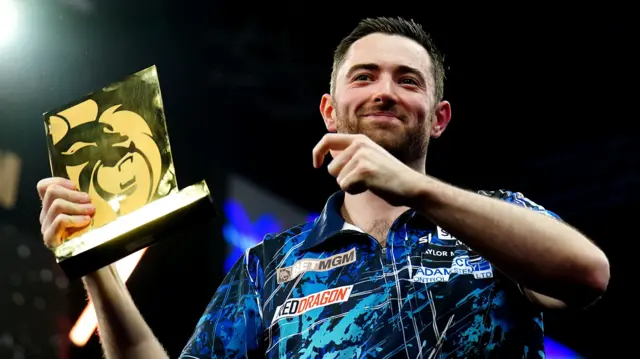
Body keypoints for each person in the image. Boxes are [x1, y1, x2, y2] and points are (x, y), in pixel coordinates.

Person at [37, 17, 610, 359]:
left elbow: (587, 274)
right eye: (364, 77)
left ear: (439, 118)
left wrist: (417, 189)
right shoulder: (271, 267)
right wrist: (95, 262)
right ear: (329, 112)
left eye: (407, 81)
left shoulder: (499, 220)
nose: (385, 91)